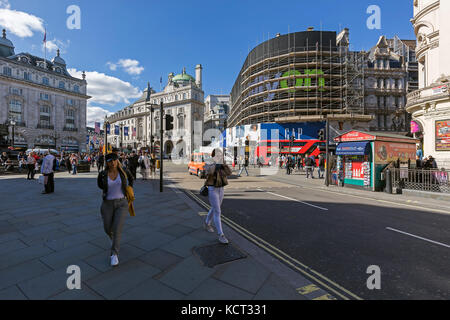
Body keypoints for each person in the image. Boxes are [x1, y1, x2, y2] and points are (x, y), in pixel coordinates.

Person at [97, 153, 134, 267]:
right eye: (109, 161)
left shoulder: (123, 171)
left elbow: (131, 178)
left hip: (122, 203)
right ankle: (113, 240)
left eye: (114, 160)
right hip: (107, 203)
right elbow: (100, 185)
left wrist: (129, 188)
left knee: (117, 228)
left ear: (117, 161)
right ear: (106, 162)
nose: (112, 162)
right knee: (107, 228)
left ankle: (114, 254)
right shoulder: (102, 174)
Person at [203, 148, 232, 244]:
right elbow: (208, 172)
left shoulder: (222, 164)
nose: (220, 157)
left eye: (221, 155)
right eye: (218, 155)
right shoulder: (209, 163)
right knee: (218, 211)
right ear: (213, 156)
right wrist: (215, 164)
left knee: (215, 208)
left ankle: (207, 223)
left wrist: (224, 165)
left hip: (221, 189)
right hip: (212, 189)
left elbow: (229, 173)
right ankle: (221, 235)